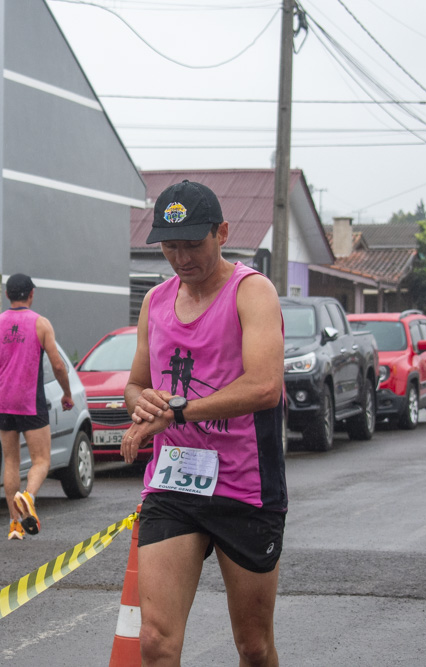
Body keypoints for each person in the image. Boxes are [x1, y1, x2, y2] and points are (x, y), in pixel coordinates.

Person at [120, 180, 286, 667]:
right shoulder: (155, 301)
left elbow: (264, 387)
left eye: (192, 244)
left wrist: (177, 409)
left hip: (245, 486)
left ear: (222, 233)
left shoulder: (252, 292)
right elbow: (134, 384)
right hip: (172, 483)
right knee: (155, 640)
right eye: (170, 247)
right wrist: (144, 405)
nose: (181, 257)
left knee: (253, 647)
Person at [0, 274, 74, 540]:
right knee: (41, 459)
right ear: (31, 294)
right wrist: (66, 393)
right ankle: (28, 498)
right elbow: (57, 365)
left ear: (7, 295)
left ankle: (15, 525)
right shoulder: (40, 324)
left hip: (4, 402)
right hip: (30, 401)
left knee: (11, 462)